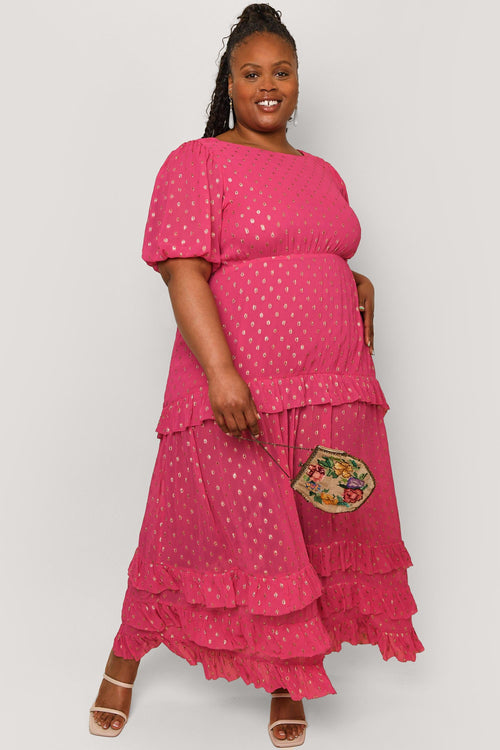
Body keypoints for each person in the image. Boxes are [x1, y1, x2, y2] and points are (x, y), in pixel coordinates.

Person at [89, 4, 423, 746]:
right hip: (239, 380)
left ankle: (288, 676)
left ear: (298, 82)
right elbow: (182, 270)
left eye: (282, 72)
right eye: (251, 73)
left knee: (303, 531)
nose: (268, 85)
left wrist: (354, 280)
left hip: (329, 384)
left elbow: (309, 250)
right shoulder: (197, 160)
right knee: (186, 530)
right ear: (230, 83)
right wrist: (220, 373)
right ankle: (123, 659)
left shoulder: (323, 173)